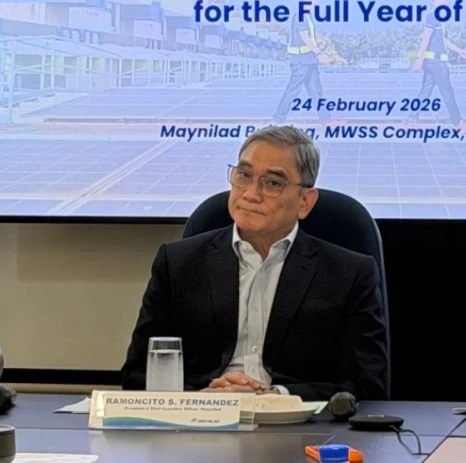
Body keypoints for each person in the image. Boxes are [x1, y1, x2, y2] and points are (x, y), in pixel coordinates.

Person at [122, 126, 389, 400]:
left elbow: (367, 386)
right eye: (244, 175)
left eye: (272, 182)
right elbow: (137, 376)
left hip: (300, 430)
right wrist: (206, 397)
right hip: (200, 425)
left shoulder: (348, 273)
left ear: (305, 202)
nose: (250, 193)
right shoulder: (178, 263)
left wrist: (275, 395)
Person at [406, 0, 466, 127]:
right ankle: (457, 121)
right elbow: (425, 37)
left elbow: (442, 39)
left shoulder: (437, 16)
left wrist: (459, 50)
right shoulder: (433, 14)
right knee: (447, 90)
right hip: (435, 62)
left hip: (432, 62)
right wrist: (419, 59)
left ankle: (412, 118)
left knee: (426, 91)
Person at [272, 0, 332, 126]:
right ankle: (277, 121)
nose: (312, 2)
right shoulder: (300, 16)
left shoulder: (307, 17)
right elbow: (304, 36)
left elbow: (308, 38)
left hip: (309, 61)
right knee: (292, 91)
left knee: (317, 92)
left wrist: (316, 55)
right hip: (301, 62)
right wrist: (319, 53)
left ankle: (326, 120)